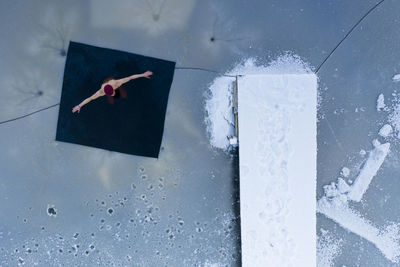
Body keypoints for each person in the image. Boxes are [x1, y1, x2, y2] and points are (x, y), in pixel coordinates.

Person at [72, 71, 153, 113]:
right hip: (106, 84)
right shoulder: (100, 92)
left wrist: (142, 74)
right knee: (93, 97)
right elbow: (90, 98)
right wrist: (79, 105)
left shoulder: (116, 83)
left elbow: (130, 77)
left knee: (126, 79)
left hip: (110, 81)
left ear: (113, 88)